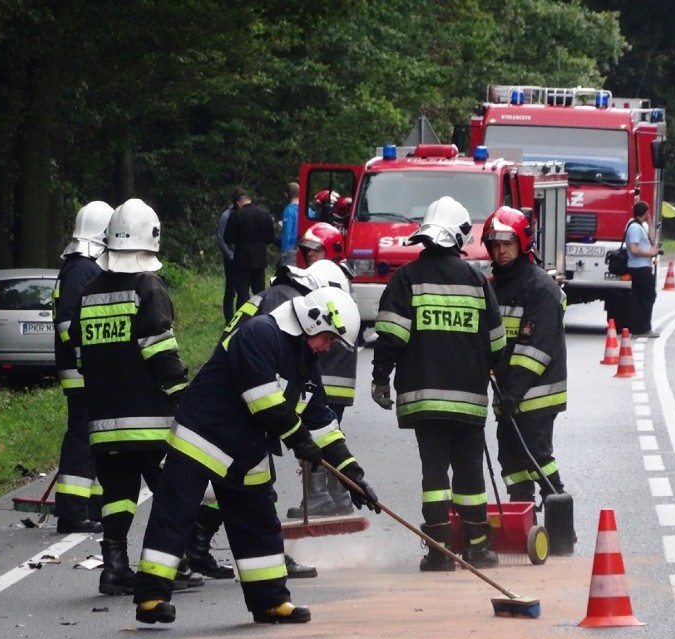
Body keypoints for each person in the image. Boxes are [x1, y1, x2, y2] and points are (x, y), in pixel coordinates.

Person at [132, 286, 378, 626]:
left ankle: (271, 602)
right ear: (311, 321)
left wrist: (353, 475)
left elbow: (322, 421)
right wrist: (299, 441)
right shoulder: (258, 333)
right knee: (174, 516)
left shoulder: (306, 361)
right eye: (328, 338)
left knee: (260, 524)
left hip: (247, 449)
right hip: (203, 436)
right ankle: (151, 597)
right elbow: (262, 399)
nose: (328, 347)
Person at [371, 196, 505, 571]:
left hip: (424, 400)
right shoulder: (478, 281)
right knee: (470, 473)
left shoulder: (406, 279)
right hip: (470, 401)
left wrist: (380, 379)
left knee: (434, 474)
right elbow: (497, 345)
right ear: (460, 235)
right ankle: (477, 547)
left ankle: (439, 551)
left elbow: (390, 338)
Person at [69, 198, 191, 596]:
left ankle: (115, 568)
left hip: (104, 422)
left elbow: (81, 357)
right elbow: (160, 353)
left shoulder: (88, 291)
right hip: (152, 424)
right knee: (172, 492)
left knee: (117, 495)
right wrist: (183, 399)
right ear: (152, 238)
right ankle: (174, 565)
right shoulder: (148, 286)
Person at [481, 206, 568, 511]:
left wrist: (512, 394)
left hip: (536, 393)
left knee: (537, 457)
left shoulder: (541, 287)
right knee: (511, 460)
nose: (501, 251)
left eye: (507, 243)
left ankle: (560, 521)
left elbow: (535, 350)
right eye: (495, 245)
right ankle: (522, 516)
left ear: (522, 243)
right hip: (508, 393)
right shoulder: (492, 287)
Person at [287, 222, 356, 519]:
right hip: (337, 371)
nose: (309, 256)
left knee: (312, 431)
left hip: (325, 370)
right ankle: (339, 495)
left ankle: (318, 498)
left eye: (315, 250)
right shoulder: (339, 275)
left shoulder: (321, 277)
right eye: (307, 251)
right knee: (329, 432)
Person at [52, 201, 114, 534]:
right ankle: (72, 512)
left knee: (93, 437)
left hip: (87, 369)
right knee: (82, 437)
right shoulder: (81, 269)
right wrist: (88, 359)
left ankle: (92, 507)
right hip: (82, 371)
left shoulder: (83, 266)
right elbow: (67, 323)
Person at [224, 188, 275, 308]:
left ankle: (242, 321)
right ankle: (261, 316)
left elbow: (228, 239)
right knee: (260, 292)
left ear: (237, 203)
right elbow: (270, 238)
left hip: (242, 260)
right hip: (260, 259)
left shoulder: (236, 215)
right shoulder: (265, 215)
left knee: (242, 294)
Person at [625, 201, 660, 338]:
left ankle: (636, 328)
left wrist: (650, 223)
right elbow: (634, 249)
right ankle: (644, 327)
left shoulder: (640, 227)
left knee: (638, 297)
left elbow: (651, 240)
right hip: (640, 267)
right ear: (645, 212)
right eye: (648, 212)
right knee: (648, 296)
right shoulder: (634, 228)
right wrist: (650, 253)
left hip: (641, 266)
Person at [216, 193, 238, 322]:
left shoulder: (243, 213)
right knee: (230, 289)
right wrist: (229, 256)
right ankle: (228, 318)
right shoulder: (226, 216)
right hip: (231, 257)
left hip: (242, 257)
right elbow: (220, 238)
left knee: (242, 289)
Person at [274, 182, 302, 268]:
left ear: (286, 195)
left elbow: (287, 233)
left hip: (291, 250)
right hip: (303, 249)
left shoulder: (289, 210)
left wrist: (284, 251)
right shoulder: (307, 210)